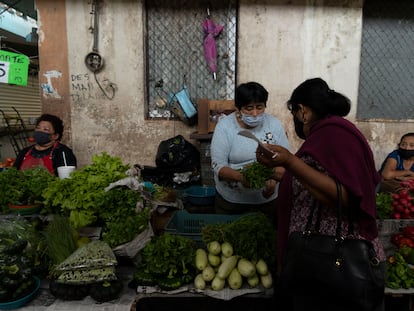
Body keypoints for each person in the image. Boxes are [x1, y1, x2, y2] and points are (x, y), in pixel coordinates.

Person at [256, 78, 385, 310]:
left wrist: (290, 161)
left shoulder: (333, 134)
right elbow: (320, 179)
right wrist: (283, 174)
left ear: (303, 111)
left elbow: (345, 196)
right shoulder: (330, 133)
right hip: (322, 256)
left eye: (294, 112)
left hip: (335, 258)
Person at [210, 81, 290, 220]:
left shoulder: (274, 124)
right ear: (238, 108)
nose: (254, 113)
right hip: (232, 203)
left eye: (259, 107)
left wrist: (273, 180)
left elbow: (286, 162)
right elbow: (218, 166)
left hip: (267, 202)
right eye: (249, 108)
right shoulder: (225, 127)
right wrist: (241, 177)